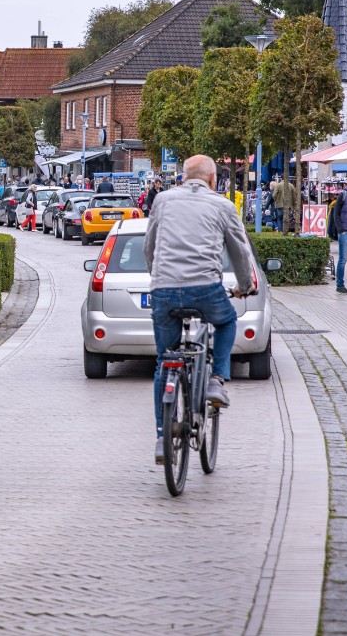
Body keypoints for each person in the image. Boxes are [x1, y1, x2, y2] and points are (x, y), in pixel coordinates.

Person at [144, 155, 255, 466]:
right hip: (205, 288)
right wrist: (245, 285)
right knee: (227, 320)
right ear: (212, 180)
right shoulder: (223, 206)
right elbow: (239, 250)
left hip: (164, 290)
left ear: (182, 178)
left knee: (164, 361)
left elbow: (149, 247)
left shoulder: (162, 201)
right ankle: (216, 380)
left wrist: (158, 278)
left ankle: (161, 437)